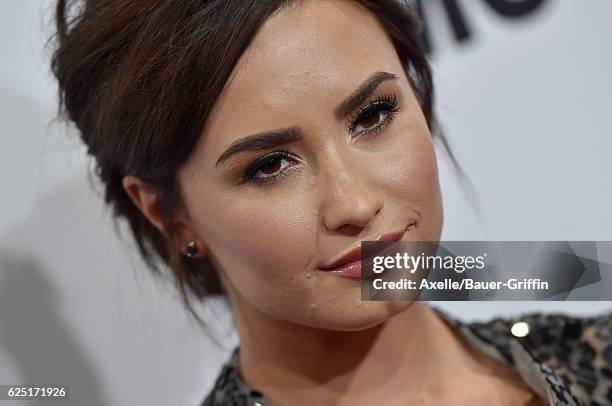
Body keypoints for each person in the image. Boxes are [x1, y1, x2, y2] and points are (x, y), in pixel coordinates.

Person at [49, 0, 612, 405]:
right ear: (169, 213)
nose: (356, 202)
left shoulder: (597, 357)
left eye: (373, 115)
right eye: (268, 165)